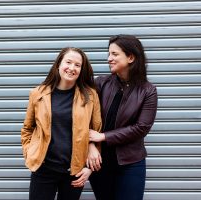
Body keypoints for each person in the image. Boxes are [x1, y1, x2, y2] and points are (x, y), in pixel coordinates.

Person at [21, 47, 102, 200]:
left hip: (74, 171)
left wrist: (88, 168)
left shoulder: (90, 96)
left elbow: (96, 131)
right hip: (43, 168)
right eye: (68, 62)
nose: (72, 68)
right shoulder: (38, 94)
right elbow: (27, 128)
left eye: (77, 65)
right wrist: (30, 153)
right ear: (58, 64)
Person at [87, 34, 158, 200]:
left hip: (131, 163)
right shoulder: (100, 84)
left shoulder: (148, 91)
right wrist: (90, 145)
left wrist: (103, 136)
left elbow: (141, 128)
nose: (109, 59)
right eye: (109, 54)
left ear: (131, 57)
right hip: (99, 162)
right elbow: (84, 118)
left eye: (114, 54)